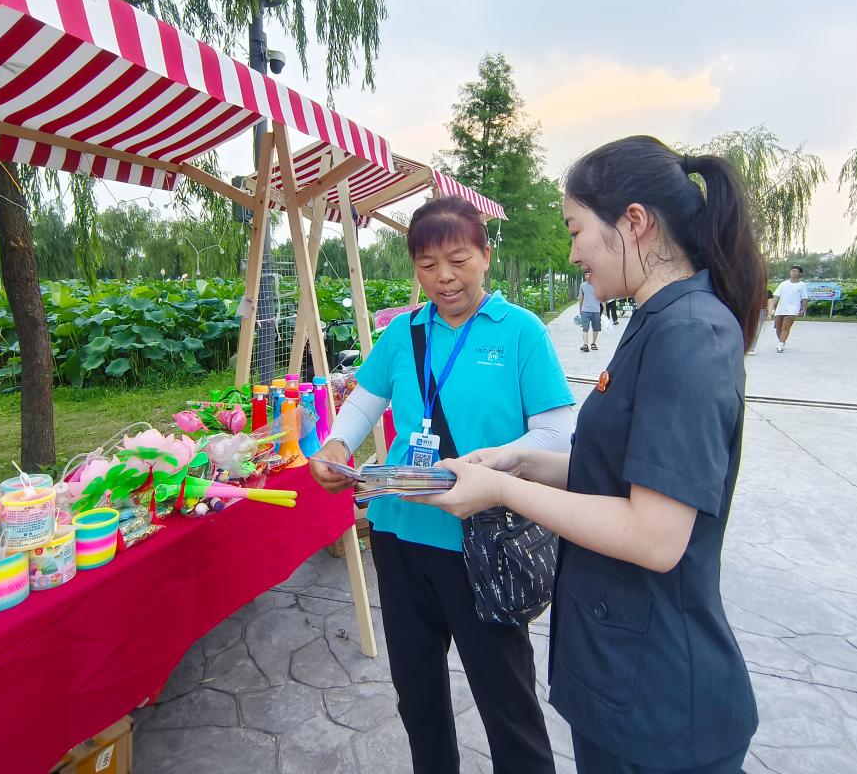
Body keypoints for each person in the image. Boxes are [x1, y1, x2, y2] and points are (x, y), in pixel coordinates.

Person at [416, 136, 760, 773]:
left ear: (634, 221)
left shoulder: (689, 335)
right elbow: (618, 471)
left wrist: (503, 492)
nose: (573, 253)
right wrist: (517, 462)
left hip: (659, 698)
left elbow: (655, 535)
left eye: (577, 230)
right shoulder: (655, 320)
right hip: (621, 667)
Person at [309, 195, 574, 774]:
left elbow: (558, 434)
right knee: (417, 691)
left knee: (506, 698)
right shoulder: (403, 333)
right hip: (400, 534)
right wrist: (337, 445)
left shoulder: (520, 332)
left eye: (458, 260)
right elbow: (365, 401)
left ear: (485, 254)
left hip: (483, 542)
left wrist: (495, 463)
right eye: (428, 265)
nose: (445, 278)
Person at [767, 265, 808, 353]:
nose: (793, 273)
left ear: (800, 274)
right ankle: (781, 341)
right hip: (780, 309)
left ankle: (781, 345)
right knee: (778, 328)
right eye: (792, 271)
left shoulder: (802, 285)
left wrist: (803, 309)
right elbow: (776, 296)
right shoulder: (783, 284)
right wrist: (772, 308)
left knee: (785, 327)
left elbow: (804, 298)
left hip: (792, 310)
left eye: (795, 271)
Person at [579, 268, 602, 351]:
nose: (587, 276)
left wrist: (605, 310)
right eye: (586, 275)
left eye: (589, 274)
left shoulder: (598, 285)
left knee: (596, 328)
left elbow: (602, 297)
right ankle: (585, 345)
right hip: (585, 310)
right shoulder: (582, 285)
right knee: (585, 328)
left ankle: (593, 343)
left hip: (596, 310)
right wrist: (581, 308)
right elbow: (581, 297)